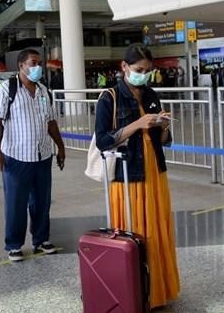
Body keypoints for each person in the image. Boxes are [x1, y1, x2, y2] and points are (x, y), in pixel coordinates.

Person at [94, 43, 180, 309]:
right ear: (124, 67)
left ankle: (156, 292)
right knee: (133, 232)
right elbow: (103, 141)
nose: (143, 75)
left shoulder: (151, 94)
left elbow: (164, 141)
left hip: (154, 173)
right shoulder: (109, 97)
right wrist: (137, 124)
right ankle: (132, 291)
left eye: (148, 70)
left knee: (157, 231)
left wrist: (164, 126)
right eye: (139, 70)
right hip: (127, 175)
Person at [0, 49, 66, 262]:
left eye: (39, 63)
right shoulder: (7, 89)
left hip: (42, 156)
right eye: (33, 63)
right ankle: (14, 244)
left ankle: (41, 239)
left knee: (42, 201)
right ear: (21, 65)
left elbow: (50, 121)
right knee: (16, 203)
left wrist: (60, 147)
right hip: (16, 157)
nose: (38, 67)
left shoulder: (43, 91)